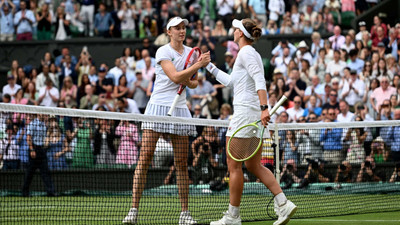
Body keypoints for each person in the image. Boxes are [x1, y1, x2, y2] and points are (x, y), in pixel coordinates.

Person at [205, 18, 296, 225]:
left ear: (240, 33)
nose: (232, 30)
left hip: (246, 114)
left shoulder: (246, 53)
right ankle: (283, 203)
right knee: (253, 165)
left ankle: (233, 217)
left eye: (235, 28)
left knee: (233, 165)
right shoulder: (245, 54)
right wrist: (208, 66)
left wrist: (265, 108)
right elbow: (230, 82)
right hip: (251, 113)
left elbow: (260, 80)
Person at [122, 17, 211, 225]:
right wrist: (196, 66)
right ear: (168, 32)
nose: (182, 31)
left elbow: (194, 84)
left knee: (181, 163)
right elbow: (175, 77)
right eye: (177, 28)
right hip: (158, 107)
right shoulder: (162, 51)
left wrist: (191, 74)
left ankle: (184, 214)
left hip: (179, 109)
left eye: (183, 28)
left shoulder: (192, 52)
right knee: (144, 160)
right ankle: (133, 211)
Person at [22, 114, 56, 197]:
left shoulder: (44, 125)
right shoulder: (32, 124)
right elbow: (28, 138)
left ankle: (50, 192)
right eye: (42, 113)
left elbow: (44, 139)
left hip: (42, 150)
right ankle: (25, 192)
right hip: (34, 149)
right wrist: (32, 149)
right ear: (38, 114)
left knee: (46, 172)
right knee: (30, 172)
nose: (44, 115)